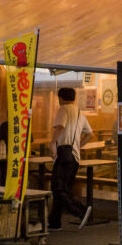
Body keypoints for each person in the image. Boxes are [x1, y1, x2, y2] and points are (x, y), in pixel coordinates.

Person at [48, 87, 93, 230]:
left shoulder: (63, 109)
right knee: (61, 189)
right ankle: (54, 222)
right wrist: (78, 146)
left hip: (64, 153)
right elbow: (90, 134)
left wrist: (52, 144)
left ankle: (81, 210)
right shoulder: (80, 113)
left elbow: (60, 126)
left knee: (58, 188)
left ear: (61, 98)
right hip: (74, 157)